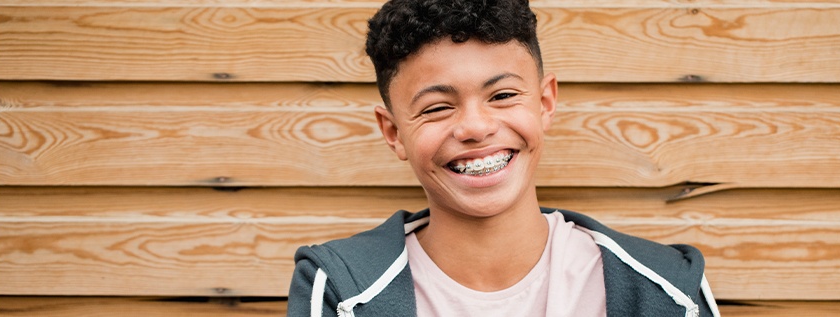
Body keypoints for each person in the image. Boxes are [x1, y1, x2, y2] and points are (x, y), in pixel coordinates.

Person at [287, 0, 720, 316]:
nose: (475, 127)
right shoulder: (339, 289)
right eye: (438, 107)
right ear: (394, 132)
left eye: (503, 95)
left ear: (545, 102)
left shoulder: (667, 289)